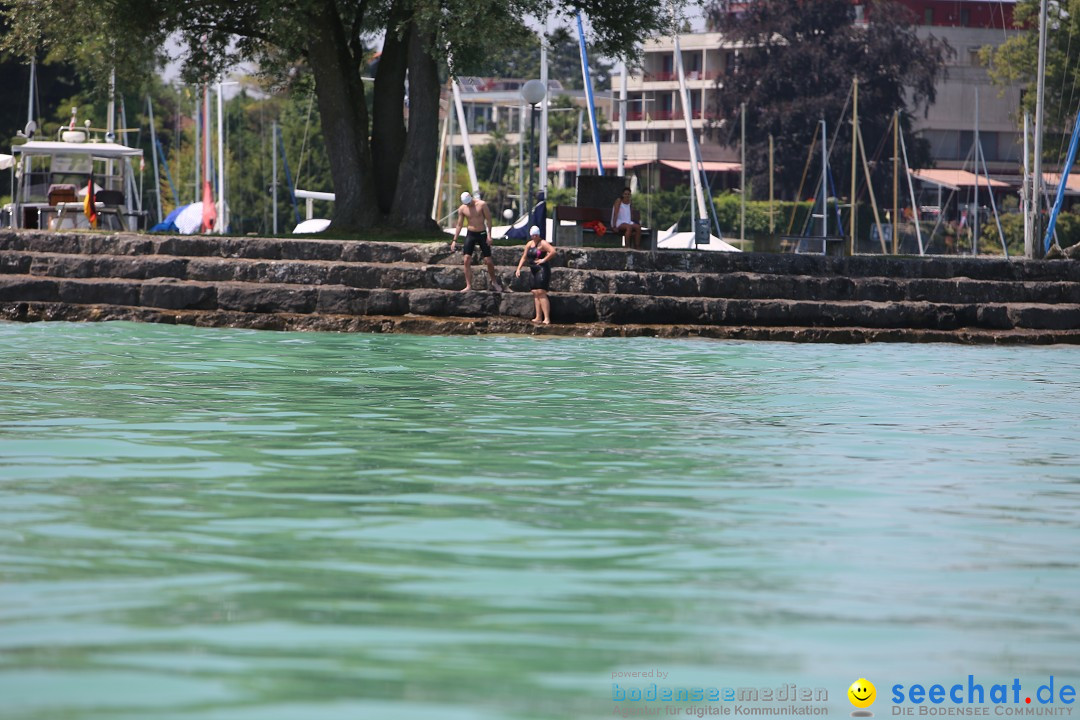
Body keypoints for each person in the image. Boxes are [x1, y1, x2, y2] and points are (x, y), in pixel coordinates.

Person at [451, 191, 504, 292]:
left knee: (488, 260)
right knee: (466, 259)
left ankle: (494, 282)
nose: (468, 205)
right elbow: (459, 224)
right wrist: (454, 240)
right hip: (471, 234)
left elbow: (489, 220)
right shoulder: (462, 209)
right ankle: (468, 285)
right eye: (466, 203)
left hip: (482, 234)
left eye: (469, 202)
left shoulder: (482, 205)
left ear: (471, 198)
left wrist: (489, 235)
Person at [514, 225, 556, 325]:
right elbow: (524, 257)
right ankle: (538, 317)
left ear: (538, 235)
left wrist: (544, 259)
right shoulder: (529, 244)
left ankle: (546, 318)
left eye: (536, 235)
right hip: (533, 270)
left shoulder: (543, 243)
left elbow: (553, 251)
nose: (534, 237)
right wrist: (519, 268)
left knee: (541, 292)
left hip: (542, 269)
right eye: (533, 235)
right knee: (535, 292)